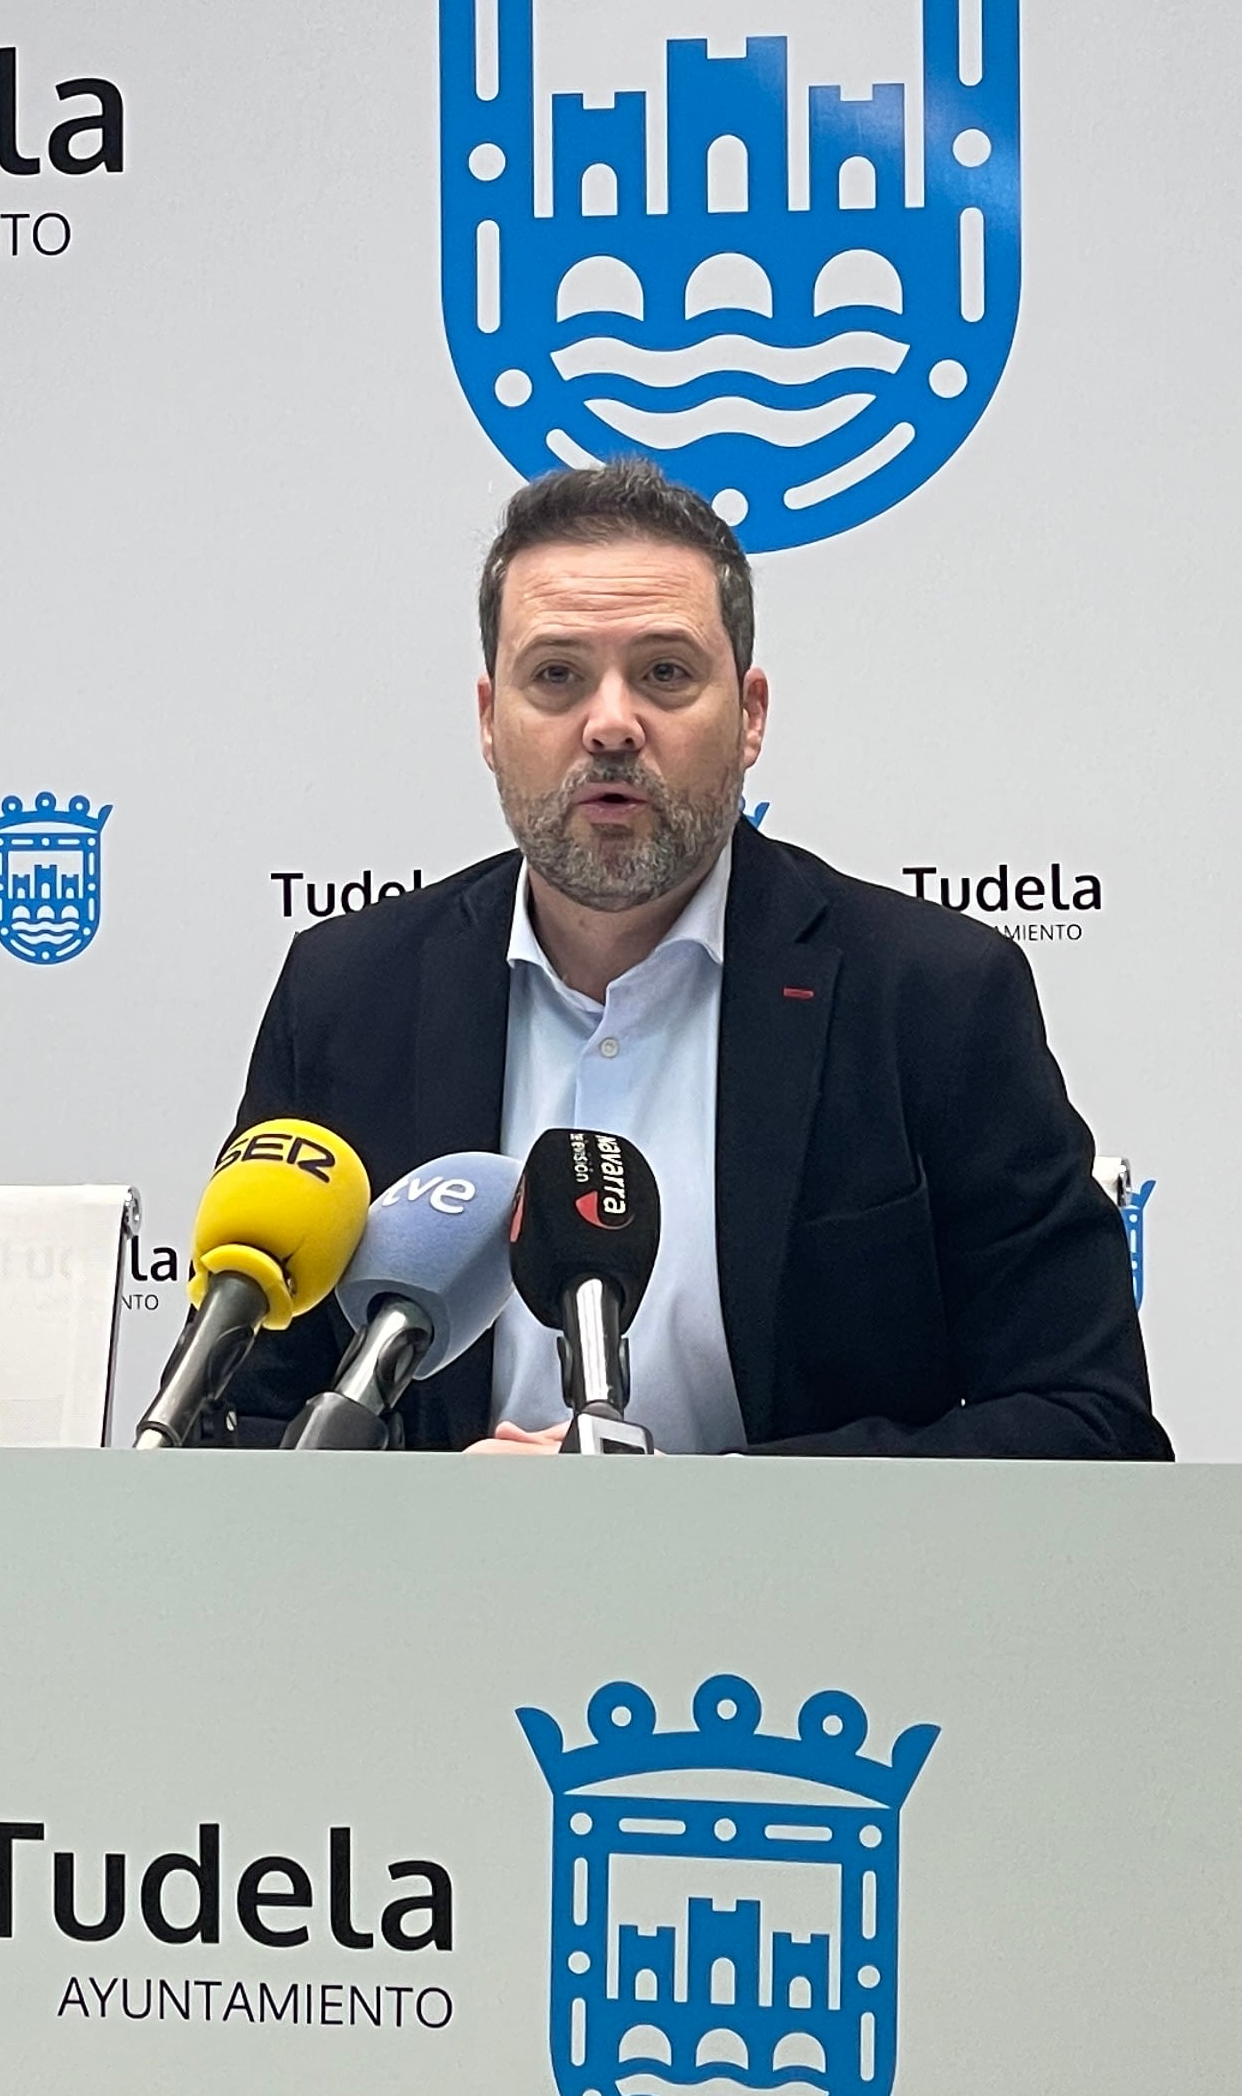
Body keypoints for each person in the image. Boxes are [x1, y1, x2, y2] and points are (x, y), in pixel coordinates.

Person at [222, 460, 1165, 1459]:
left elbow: (1088, 1424)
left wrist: (698, 1511)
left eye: (666, 673)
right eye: (557, 677)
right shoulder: (349, 996)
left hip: (809, 1609)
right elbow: (241, 1424)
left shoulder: (931, 999)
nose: (613, 723)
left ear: (750, 714)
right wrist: (440, 1513)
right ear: (489, 722)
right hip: (434, 1606)